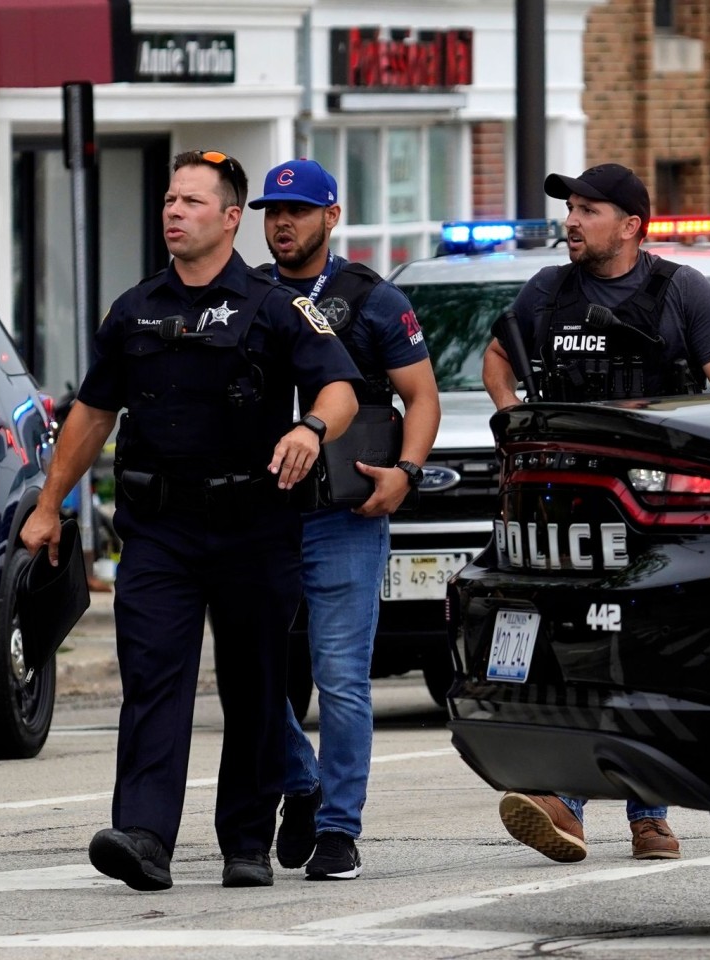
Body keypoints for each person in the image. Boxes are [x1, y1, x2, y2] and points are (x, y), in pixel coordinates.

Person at [20, 150, 361, 891]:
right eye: (170, 200)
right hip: (162, 530)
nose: (174, 211)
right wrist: (50, 506)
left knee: (255, 684)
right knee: (152, 678)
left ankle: (246, 841)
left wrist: (310, 432)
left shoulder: (275, 307)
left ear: (231, 218)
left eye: (192, 202)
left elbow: (338, 388)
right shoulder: (136, 308)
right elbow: (90, 415)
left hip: (255, 526)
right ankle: (143, 836)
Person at [481, 163, 710, 863]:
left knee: (641, 649)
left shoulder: (678, 290)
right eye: (570, 208)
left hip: (651, 505)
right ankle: (565, 802)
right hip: (564, 501)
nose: (571, 220)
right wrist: (520, 425)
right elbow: (495, 362)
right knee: (568, 649)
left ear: (631, 225)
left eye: (588, 210)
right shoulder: (548, 290)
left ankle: (648, 814)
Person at [248, 159, 440, 881]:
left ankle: (338, 829)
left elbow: (420, 396)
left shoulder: (372, 299)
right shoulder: (246, 294)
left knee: (342, 681)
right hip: (259, 516)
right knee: (256, 675)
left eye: (296, 211)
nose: (282, 224)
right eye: (272, 211)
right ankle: (302, 782)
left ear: (332, 216)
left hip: (344, 512)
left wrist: (408, 474)